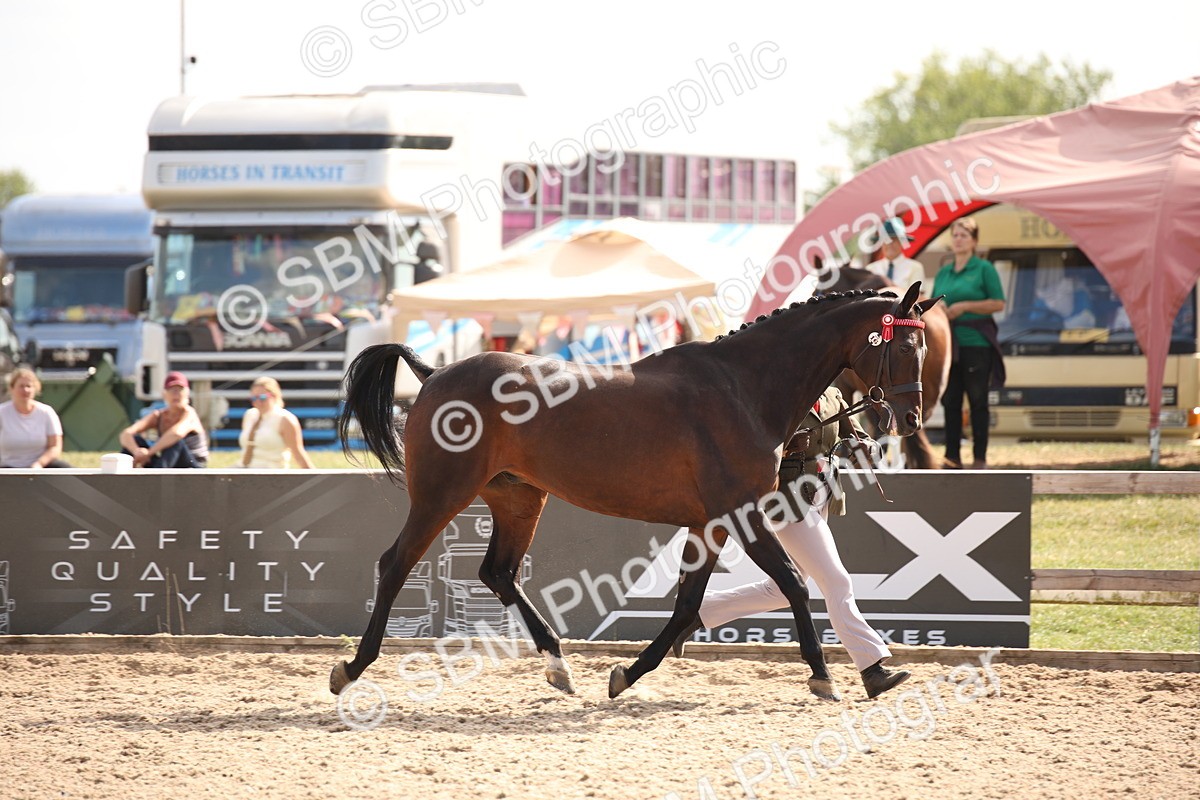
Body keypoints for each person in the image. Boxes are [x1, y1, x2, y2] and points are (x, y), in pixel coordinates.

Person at [674, 385, 911, 700]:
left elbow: (850, 437)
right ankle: (871, 668)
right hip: (788, 504)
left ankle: (698, 612)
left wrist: (864, 446)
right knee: (837, 581)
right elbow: (751, 447)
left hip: (821, 496)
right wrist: (786, 449)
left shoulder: (833, 396)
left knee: (780, 590)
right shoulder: (780, 396)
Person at [932, 217, 1006, 470]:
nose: (958, 240)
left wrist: (965, 306)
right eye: (955, 235)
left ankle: (980, 458)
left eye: (964, 235)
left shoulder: (984, 269)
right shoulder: (943, 272)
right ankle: (952, 457)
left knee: (977, 400)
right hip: (948, 344)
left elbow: (998, 303)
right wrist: (940, 307)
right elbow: (933, 302)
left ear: (974, 241)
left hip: (976, 343)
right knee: (950, 400)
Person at [119, 371, 209, 468]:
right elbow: (126, 434)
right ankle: (122, 475)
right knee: (136, 440)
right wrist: (136, 451)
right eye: (172, 390)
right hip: (170, 463)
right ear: (164, 394)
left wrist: (149, 452)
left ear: (187, 394)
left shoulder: (189, 414)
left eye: (179, 390)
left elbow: (176, 434)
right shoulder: (159, 415)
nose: (176, 394)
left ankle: (157, 476)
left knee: (175, 442)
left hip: (193, 466)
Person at [0, 368, 72, 468]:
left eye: (29, 386)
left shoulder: (47, 412)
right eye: (21, 386)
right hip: (8, 467)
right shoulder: (2, 412)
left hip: (41, 467)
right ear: (12, 388)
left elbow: (55, 446)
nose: (25, 390)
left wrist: (39, 464)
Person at [238, 377, 315, 469]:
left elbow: (298, 453)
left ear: (274, 396)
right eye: (254, 398)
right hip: (244, 468)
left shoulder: (285, 419)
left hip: (271, 471)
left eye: (262, 397)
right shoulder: (250, 415)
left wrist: (315, 475)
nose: (258, 402)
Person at [864, 216, 926, 296]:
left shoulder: (915, 267)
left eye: (894, 240)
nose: (890, 244)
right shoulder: (870, 269)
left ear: (902, 242)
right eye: (886, 240)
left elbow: (917, 297)